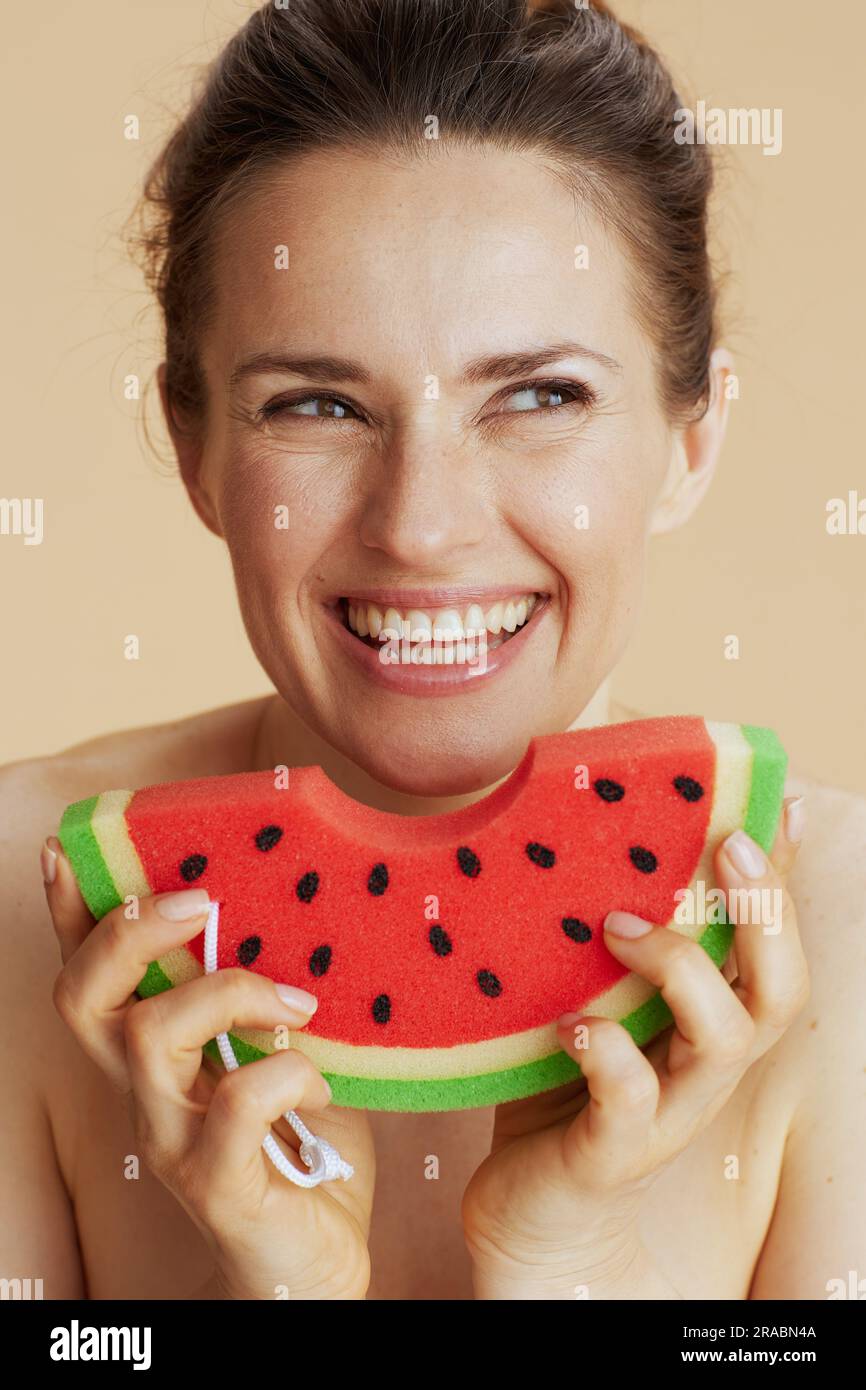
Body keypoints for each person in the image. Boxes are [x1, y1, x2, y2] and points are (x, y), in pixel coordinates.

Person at [2, 0, 863, 1301]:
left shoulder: (837, 939)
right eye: (317, 404)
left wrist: (561, 1261)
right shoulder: (19, 914)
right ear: (194, 451)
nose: (420, 525)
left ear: (690, 437)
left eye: (536, 395)